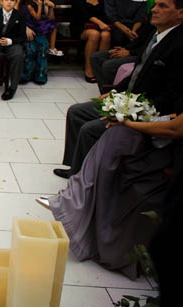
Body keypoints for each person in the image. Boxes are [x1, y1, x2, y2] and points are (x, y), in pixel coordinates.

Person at [46, 97, 183, 279]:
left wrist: (129, 122)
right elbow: (175, 118)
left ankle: (80, 199)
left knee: (117, 138)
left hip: (176, 159)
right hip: (167, 144)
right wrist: (137, 119)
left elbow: (175, 129)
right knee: (115, 136)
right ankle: (80, 196)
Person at [56, 0, 183, 179]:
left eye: (162, 6)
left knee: (89, 129)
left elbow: (171, 95)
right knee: (76, 112)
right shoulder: (154, 34)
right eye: (155, 4)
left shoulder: (179, 44)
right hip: (127, 97)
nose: (154, 9)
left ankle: (86, 177)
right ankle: (75, 166)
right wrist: (115, 92)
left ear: (180, 13)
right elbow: (137, 72)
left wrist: (130, 111)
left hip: (146, 109)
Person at [70, 0, 111, 82]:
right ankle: (89, 69)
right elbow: (84, 14)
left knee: (106, 35)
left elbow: (107, 14)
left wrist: (102, 25)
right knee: (94, 34)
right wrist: (100, 23)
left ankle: (99, 68)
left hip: (101, 28)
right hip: (80, 28)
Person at [20, 0, 56, 85]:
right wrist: (40, 6)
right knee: (30, 50)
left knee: (43, 48)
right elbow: (37, 17)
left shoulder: (42, 3)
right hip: (29, 30)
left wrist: (47, 6)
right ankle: (26, 74)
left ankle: (41, 75)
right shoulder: (28, 6)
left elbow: (49, 17)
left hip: (40, 30)